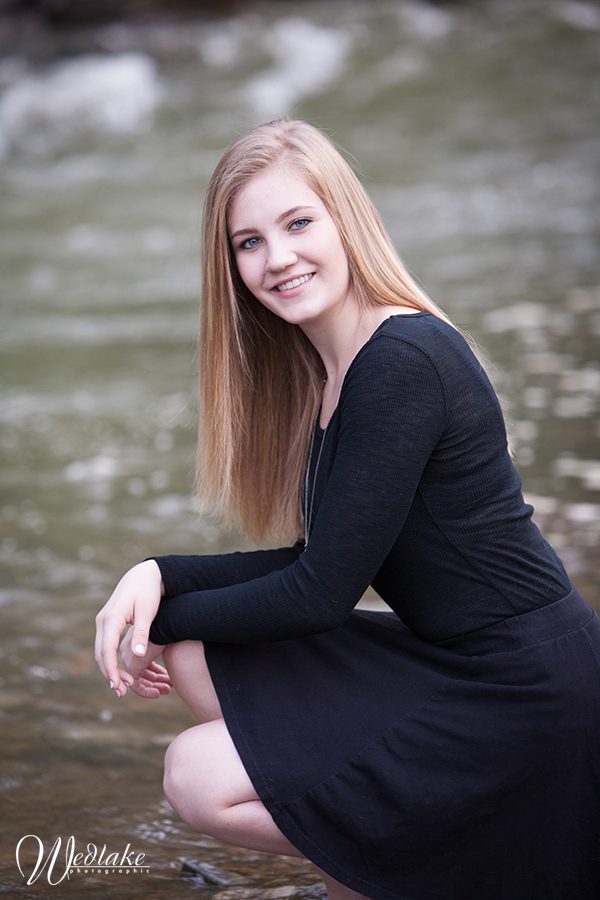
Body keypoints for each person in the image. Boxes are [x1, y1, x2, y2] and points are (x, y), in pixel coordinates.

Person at [94, 119, 600, 900]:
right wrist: (157, 575)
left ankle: (412, 874)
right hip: (460, 659)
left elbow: (319, 595)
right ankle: (367, 874)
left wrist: (155, 620)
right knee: (198, 652)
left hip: (526, 687)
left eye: (298, 223)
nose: (278, 257)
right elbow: (321, 558)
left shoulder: (401, 361)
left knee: (197, 774)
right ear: (230, 266)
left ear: (345, 219)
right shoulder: (335, 371)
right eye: (249, 242)